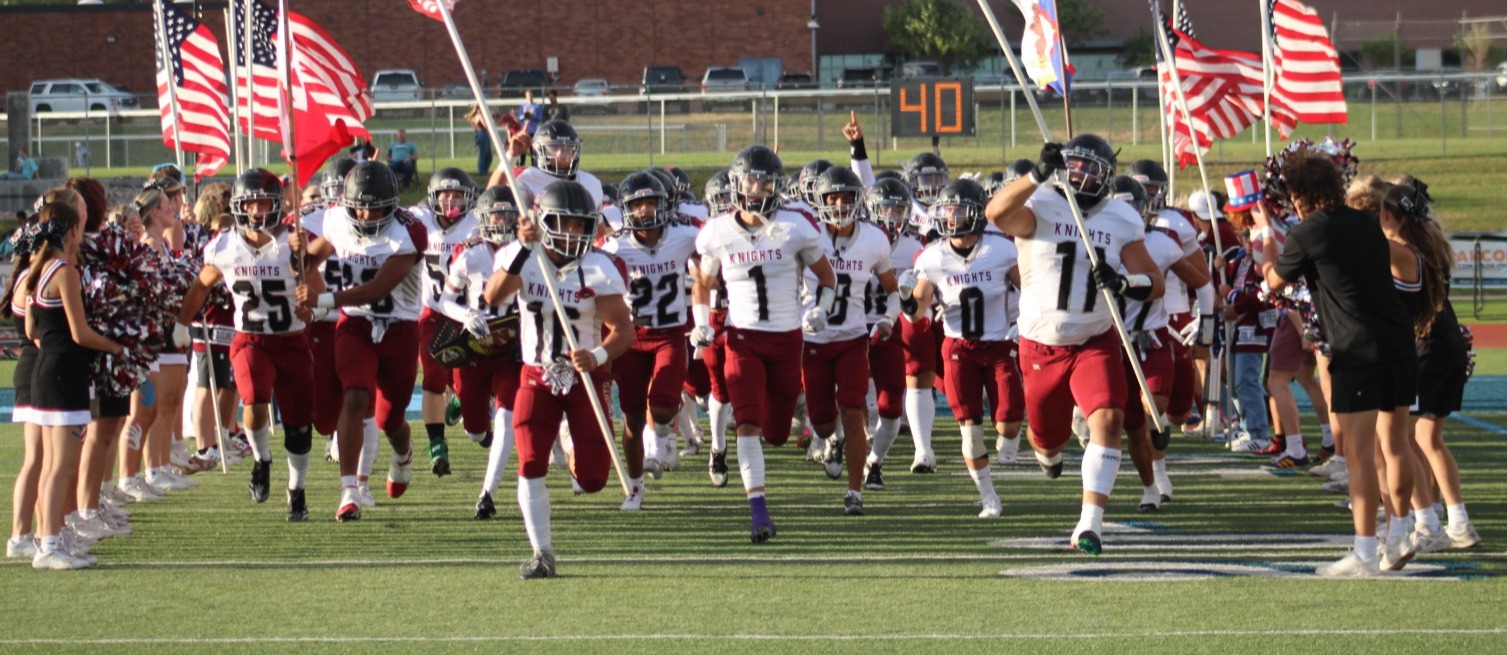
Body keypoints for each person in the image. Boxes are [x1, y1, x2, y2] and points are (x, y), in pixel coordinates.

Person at [985, 135, 1165, 556]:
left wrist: (1124, 283)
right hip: (1040, 345)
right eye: (1076, 167)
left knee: (1109, 418)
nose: (1082, 175)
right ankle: (1049, 455)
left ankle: (1090, 524)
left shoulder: (1122, 218)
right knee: (1046, 441)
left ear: (1108, 177)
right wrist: (1036, 174)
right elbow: (996, 213)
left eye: (1092, 169)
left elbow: (1153, 283)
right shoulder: (1043, 200)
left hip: (1093, 338)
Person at [1253, 149, 1418, 577]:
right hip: (1396, 339)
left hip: (1356, 346)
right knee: (1396, 444)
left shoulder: (1309, 230)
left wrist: (1266, 238)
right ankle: (1399, 533)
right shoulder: (1366, 221)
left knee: (1361, 453)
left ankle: (1365, 551)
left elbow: (1273, 281)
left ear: (1299, 193)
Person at [482, 179, 634, 579]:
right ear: (543, 222)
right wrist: (522, 251)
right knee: (530, 462)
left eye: (581, 226)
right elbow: (492, 296)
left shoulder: (599, 267)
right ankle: (542, 552)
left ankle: (570, 447)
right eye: (564, 224)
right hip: (536, 374)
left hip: (585, 373)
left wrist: (597, 354)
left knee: (593, 478)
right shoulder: (521, 256)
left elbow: (623, 330)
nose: (573, 234)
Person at [692, 145, 836, 542]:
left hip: (788, 340)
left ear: (777, 185)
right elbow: (702, 285)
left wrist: (821, 308)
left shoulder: (797, 225)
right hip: (742, 339)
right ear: (737, 184)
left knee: (775, 432)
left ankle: (781, 450)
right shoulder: (718, 231)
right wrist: (702, 323)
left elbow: (828, 278)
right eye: (751, 180)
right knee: (749, 424)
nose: (757, 189)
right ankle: (758, 512)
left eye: (765, 181)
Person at [177, 170, 320, 521]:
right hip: (251, 340)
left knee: (299, 424)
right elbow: (200, 285)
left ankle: (297, 490)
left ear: (278, 204)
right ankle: (261, 459)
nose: (257, 210)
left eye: (264, 202)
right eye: (251, 203)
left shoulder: (297, 241)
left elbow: (317, 296)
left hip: (292, 339)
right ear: (239, 207)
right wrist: (183, 321)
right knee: (254, 398)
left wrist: (305, 267)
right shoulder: (224, 245)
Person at [295, 162, 426, 522]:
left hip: (399, 327)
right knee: (354, 395)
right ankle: (349, 489)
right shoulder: (337, 218)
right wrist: (303, 254)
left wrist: (322, 301)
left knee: (390, 419)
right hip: (356, 325)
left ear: (393, 203)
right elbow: (322, 250)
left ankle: (403, 452)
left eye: (376, 206)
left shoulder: (407, 233)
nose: (367, 213)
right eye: (361, 206)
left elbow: (378, 288)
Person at [904, 178, 1018, 518]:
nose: (951, 217)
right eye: (947, 210)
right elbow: (918, 312)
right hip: (958, 350)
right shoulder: (933, 256)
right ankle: (989, 497)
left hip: (999, 346)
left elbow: (1029, 286)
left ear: (977, 214)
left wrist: (1026, 319)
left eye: (958, 210)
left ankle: (1007, 445)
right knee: (970, 432)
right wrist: (904, 298)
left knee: (1009, 424)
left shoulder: (1001, 249)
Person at [25, 200, 127, 569]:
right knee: (61, 467)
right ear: (71, 231)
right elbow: (80, 332)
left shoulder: (40, 270)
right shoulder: (65, 272)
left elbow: (31, 329)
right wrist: (118, 345)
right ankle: (49, 545)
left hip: (47, 372)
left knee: (55, 464)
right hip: (64, 377)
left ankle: (51, 536)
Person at [1379, 178, 1479, 550]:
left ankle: (1429, 523)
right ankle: (1456, 521)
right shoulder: (1430, 245)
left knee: (1402, 440)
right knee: (1427, 438)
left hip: (1427, 347)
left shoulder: (1403, 251)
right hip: (1446, 343)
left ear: (1387, 215)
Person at [801, 166, 898, 516]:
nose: (840, 204)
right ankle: (832, 438)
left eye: (846, 197)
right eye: (833, 198)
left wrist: (888, 319)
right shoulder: (808, 234)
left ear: (859, 200)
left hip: (853, 340)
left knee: (854, 411)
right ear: (820, 201)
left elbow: (892, 291)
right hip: (813, 342)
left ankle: (854, 492)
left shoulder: (873, 239)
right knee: (824, 421)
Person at [601, 172, 699, 510]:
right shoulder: (616, 245)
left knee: (662, 401)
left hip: (670, 332)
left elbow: (715, 242)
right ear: (626, 209)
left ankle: (660, 446)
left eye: (651, 202)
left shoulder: (685, 235)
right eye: (637, 204)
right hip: (631, 336)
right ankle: (635, 486)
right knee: (631, 419)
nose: (644, 210)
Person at [443, 186, 524, 520]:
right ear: (484, 218)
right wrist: (466, 314)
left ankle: (487, 494)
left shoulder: (530, 250)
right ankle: (468, 409)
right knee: (477, 431)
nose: (502, 220)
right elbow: (445, 299)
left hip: (512, 351)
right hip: (475, 350)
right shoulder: (470, 252)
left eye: (508, 214)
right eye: (497, 214)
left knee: (506, 417)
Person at [411, 168, 481, 477]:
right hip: (433, 312)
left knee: (469, 387)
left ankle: (463, 402)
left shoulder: (478, 225)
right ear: (433, 199)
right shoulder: (418, 220)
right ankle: (436, 443)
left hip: (469, 314)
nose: (451, 201)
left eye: (457, 196)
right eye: (445, 196)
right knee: (433, 376)